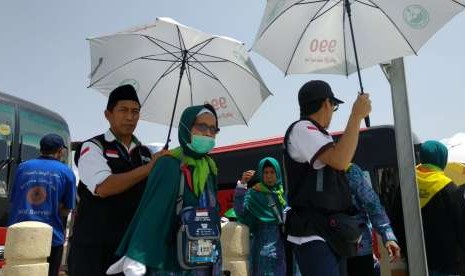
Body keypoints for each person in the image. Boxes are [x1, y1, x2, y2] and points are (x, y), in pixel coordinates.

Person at [107, 104, 221, 276]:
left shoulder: (209, 167)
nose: (208, 133)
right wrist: (138, 254)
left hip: (204, 256)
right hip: (172, 260)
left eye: (213, 129)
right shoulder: (169, 163)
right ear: (186, 127)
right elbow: (153, 212)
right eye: (202, 126)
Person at [67, 85, 168, 276]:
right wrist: (148, 169)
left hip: (129, 253)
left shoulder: (145, 153)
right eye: (123, 110)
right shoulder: (93, 147)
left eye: (135, 111)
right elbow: (104, 187)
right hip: (93, 251)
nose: (130, 117)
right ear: (108, 114)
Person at [283, 80, 371, 275]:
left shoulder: (319, 134)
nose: (333, 110)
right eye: (334, 106)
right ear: (326, 103)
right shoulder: (302, 129)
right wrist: (356, 116)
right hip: (314, 233)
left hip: (329, 232)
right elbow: (340, 160)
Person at [8, 133, 76, 276]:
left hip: (18, 233)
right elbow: (68, 208)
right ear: (60, 150)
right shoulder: (66, 172)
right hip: (51, 238)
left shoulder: (22, 167)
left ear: (41, 149)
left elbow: (14, 199)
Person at [415, 140, 465, 276]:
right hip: (446, 264)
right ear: (442, 158)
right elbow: (462, 226)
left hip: (415, 261)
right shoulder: (449, 188)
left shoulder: (406, 183)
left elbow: (395, 218)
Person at [233, 157, 287, 275]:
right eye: (266, 172)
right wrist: (242, 184)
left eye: (272, 172)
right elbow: (241, 212)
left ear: (278, 173)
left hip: (285, 251)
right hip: (264, 252)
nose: (269, 176)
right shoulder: (254, 194)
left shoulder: (284, 193)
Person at [345, 163, 401, 276]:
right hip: (357, 246)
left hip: (322, 249)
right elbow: (372, 204)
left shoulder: (307, 170)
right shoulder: (350, 170)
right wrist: (387, 235)